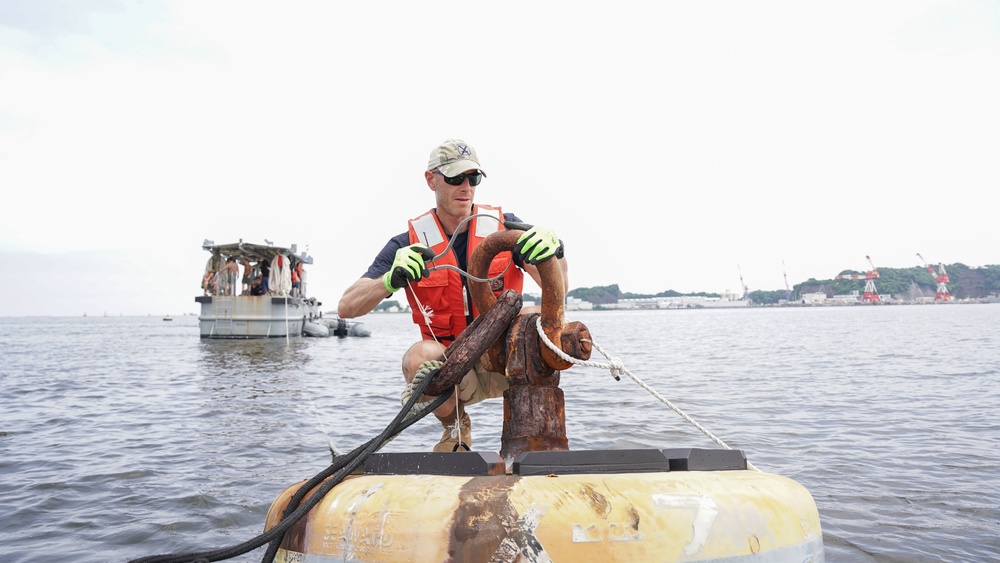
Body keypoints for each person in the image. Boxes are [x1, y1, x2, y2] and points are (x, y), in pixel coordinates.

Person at [338, 139, 567, 453]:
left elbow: (558, 288)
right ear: (431, 179)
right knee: (418, 357)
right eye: (456, 178)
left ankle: (534, 432)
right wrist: (390, 280)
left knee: (530, 317)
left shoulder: (507, 227)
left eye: (473, 179)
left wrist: (555, 252)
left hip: (508, 361)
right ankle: (455, 429)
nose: (466, 187)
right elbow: (347, 307)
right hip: (455, 372)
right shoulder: (406, 244)